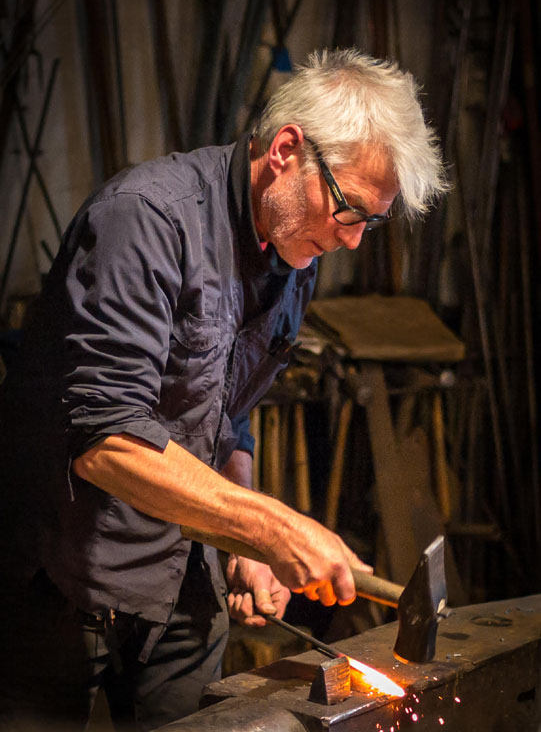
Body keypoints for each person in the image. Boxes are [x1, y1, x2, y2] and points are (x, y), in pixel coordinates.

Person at [0, 48, 446, 731]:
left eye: (371, 221)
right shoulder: (146, 219)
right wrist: (268, 527)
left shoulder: (295, 249)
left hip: (185, 575)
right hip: (62, 576)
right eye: (350, 210)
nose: (354, 241)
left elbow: (227, 411)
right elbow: (106, 440)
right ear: (287, 151)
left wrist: (239, 544)